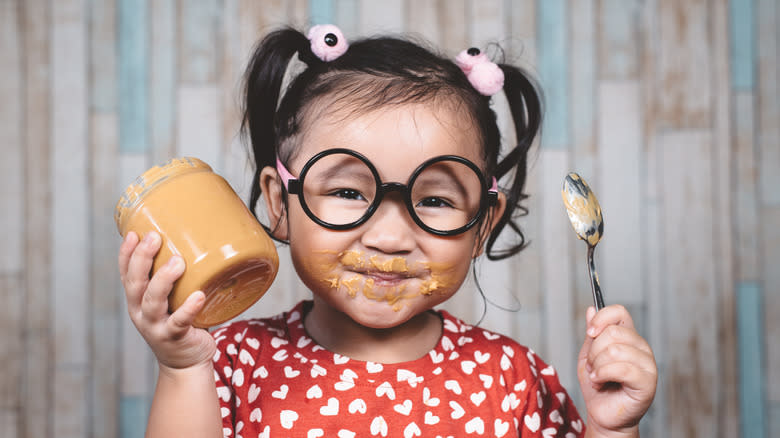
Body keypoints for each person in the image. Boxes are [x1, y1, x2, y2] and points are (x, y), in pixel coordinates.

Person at [118, 24, 657, 437]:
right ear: (281, 203)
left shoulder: (512, 378)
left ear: (481, 224)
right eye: (349, 192)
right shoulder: (228, 364)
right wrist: (183, 370)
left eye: (437, 200)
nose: (390, 237)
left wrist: (613, 428)